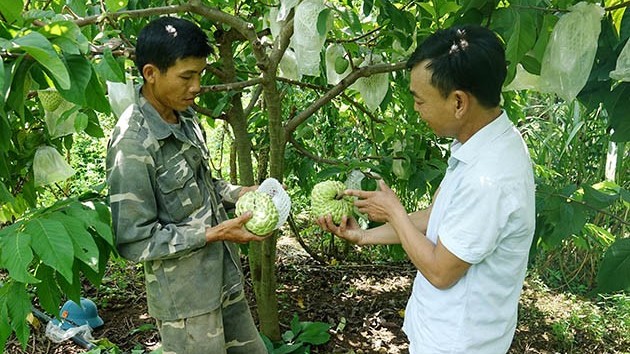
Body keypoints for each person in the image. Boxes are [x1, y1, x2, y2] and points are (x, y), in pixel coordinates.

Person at [317, 24, 535, 354]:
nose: (416, 110)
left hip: (459, 344)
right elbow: (440, 217)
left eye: (420, 100)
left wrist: (394, 211)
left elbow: (440, 271)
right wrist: (364, 236)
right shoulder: (481, 144)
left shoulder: (489, 179)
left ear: (459, 102)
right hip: (443, 332)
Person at [105, 16, 268, 354]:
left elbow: (204, 184)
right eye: (186, 77)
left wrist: (242, 194)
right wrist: (213, 234)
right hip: (187, 304)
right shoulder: (133, 142)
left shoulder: (185, 118)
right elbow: (134, 240)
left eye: (200, 75)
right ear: (151, 73)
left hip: (224, 279)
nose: (196, 87)